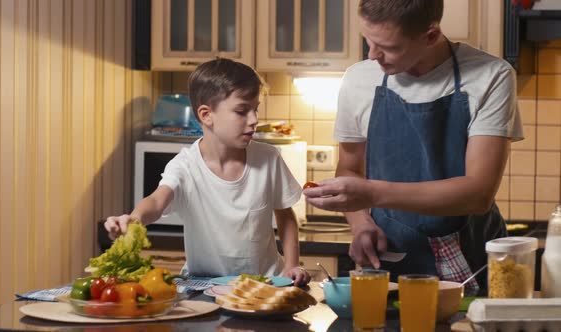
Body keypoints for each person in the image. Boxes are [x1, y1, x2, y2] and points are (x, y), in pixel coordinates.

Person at [303, 0, 522, 294]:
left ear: (430, 35)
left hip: (470, 260)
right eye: (368, 41)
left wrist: (371, 193)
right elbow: (350, 167)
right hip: (389, 259)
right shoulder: (359, 79)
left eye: (388, 47)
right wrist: (361, 223)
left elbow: (478, 194)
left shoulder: (491, 76)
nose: (373, 55)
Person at [105, 58, 311, 286]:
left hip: (265, 284)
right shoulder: (185, 165)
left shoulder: (268, 158)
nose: (254, 120)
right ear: (206, 115)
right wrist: (133, 219)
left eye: (256, 109)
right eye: (242, 111)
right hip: (204, 286)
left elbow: (286, 216)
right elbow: (156, 201)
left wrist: (291, 266)